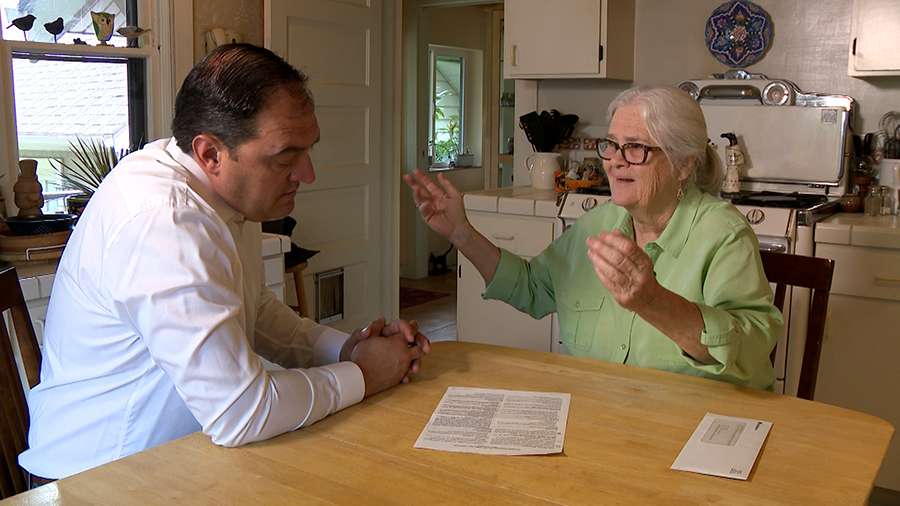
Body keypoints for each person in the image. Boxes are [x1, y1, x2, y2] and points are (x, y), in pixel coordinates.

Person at [20, 44, 430, 483]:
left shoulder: (219, 191)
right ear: (210, 154)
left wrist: (347, 350)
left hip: (175, 461)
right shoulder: (165, 221)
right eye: (285, 157)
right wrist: (364, 374)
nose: (307, 174)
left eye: (307, 150)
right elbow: (240, 412)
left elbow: (254, 309)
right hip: (94, 480)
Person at [405, 86, 782, 390]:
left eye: (635, 148)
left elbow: (753, 348)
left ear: (683, 164)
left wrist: (653, 301)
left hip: (696, 427)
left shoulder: (723, 235)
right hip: (604, 417)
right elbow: (531, 288)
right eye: (612, 144)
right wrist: (462, 233)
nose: (615, 160)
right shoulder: (596, 225)